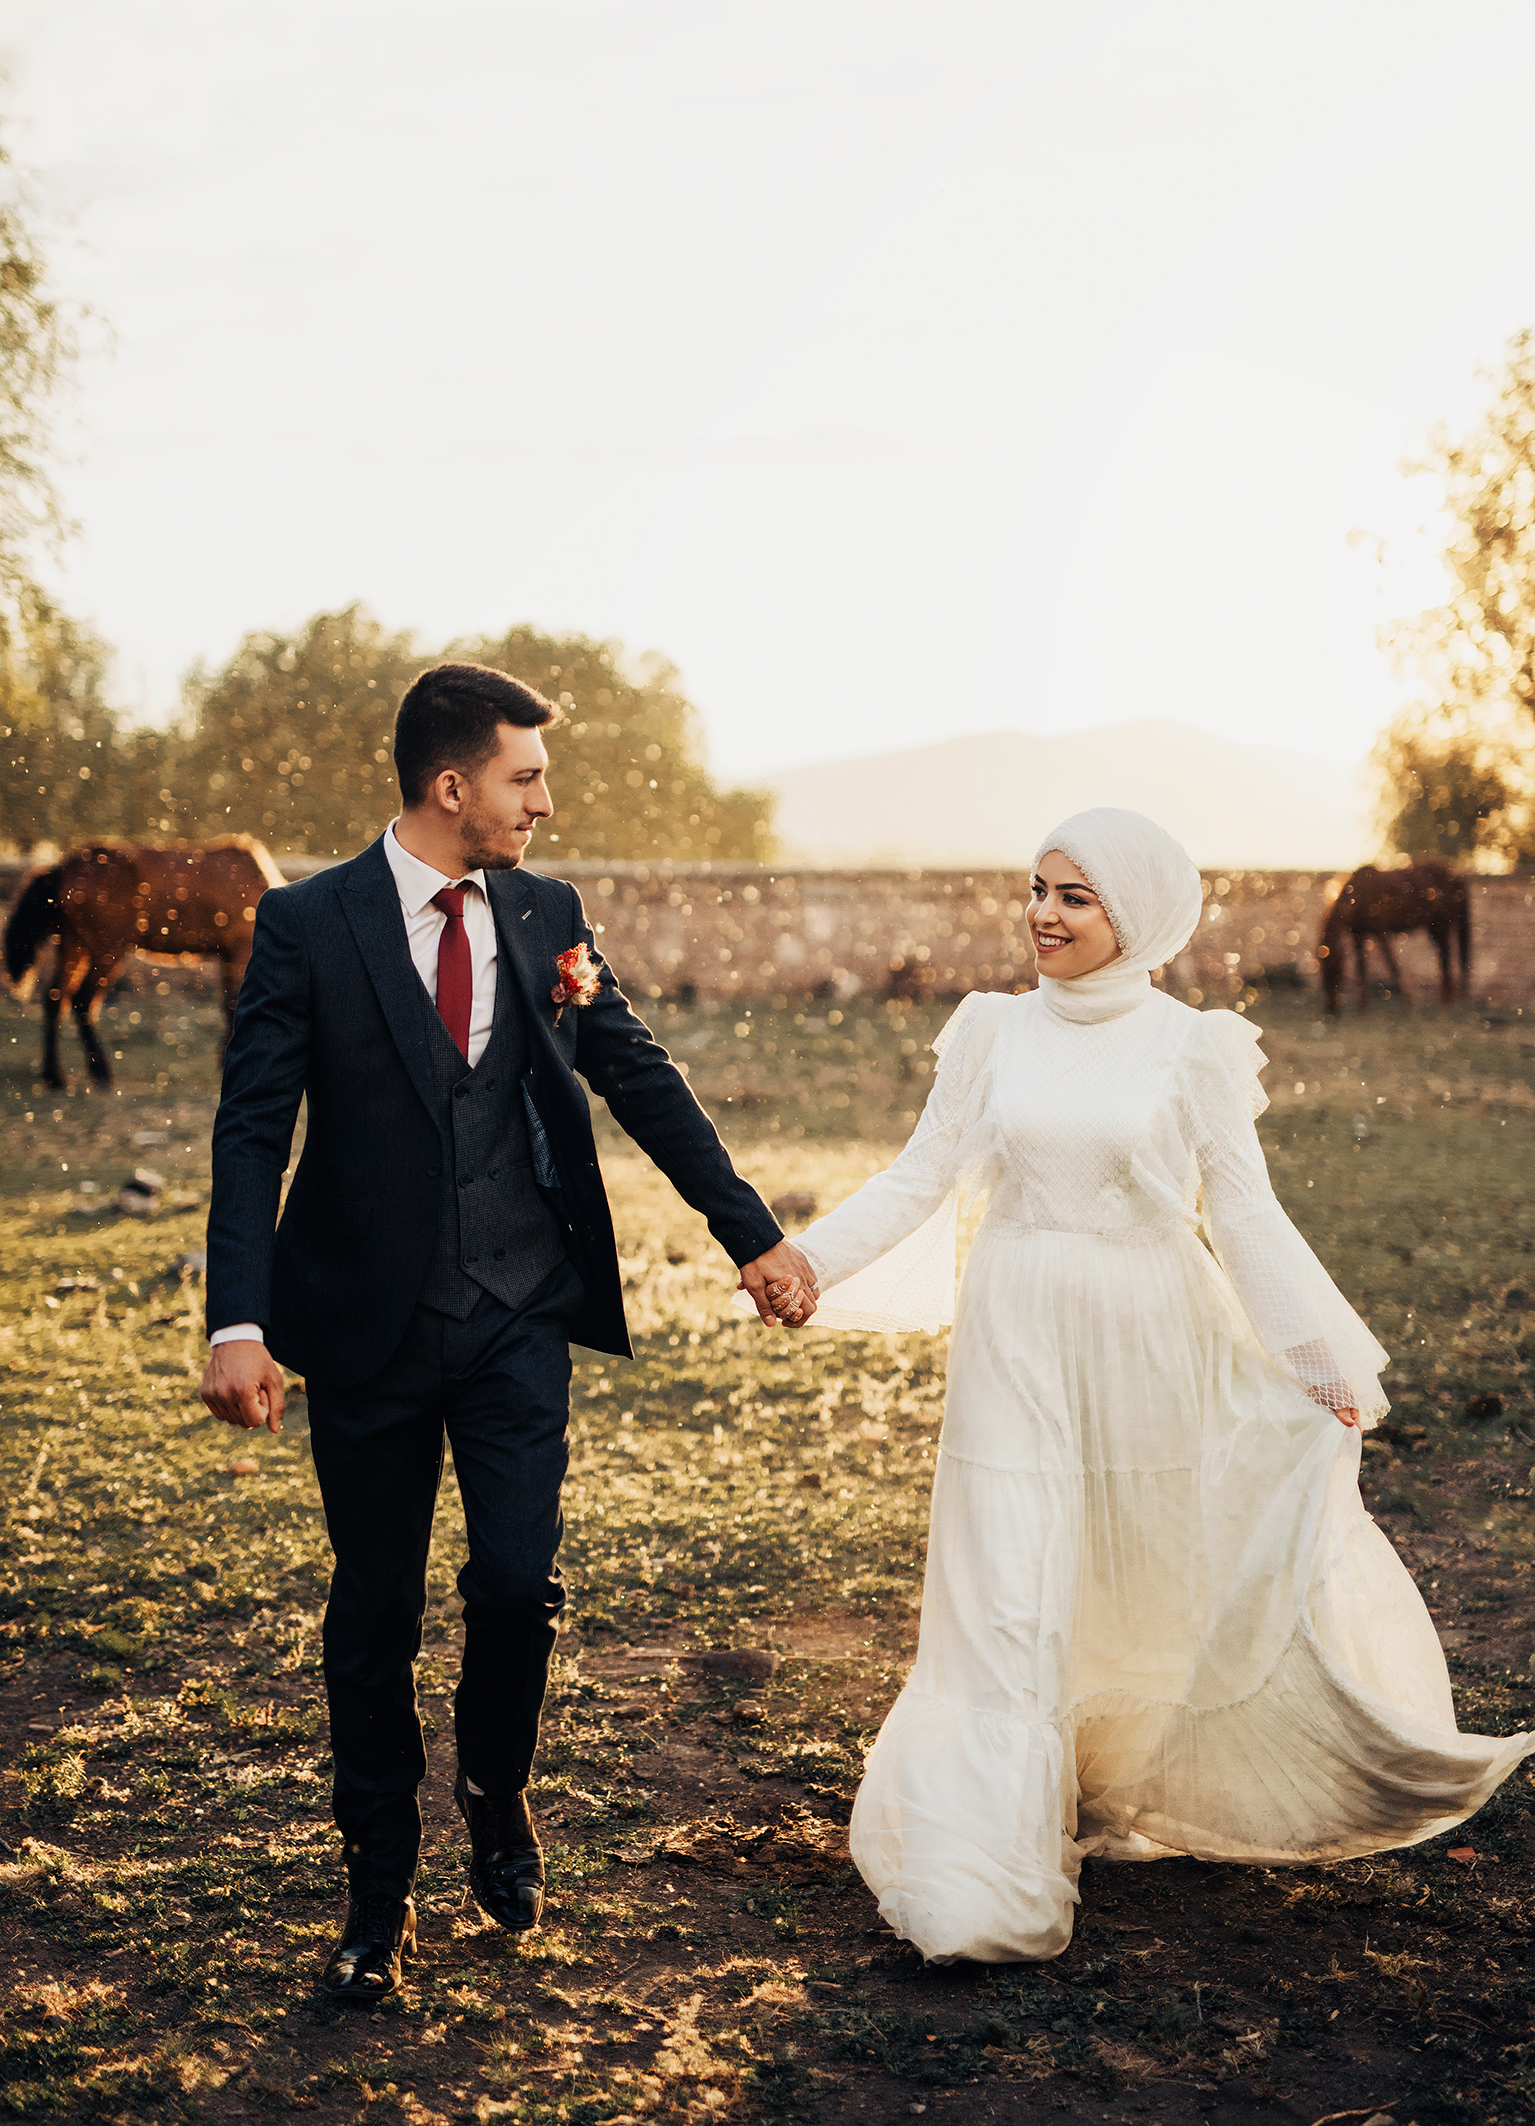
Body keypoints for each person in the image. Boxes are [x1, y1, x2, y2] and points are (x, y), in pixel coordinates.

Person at [754, 806, 1532, 1964]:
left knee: (1137, 1572)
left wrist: (1319, 1363)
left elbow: (1244, 1212)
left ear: (1140, 912)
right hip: (1013, 1332)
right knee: (1005, 1589)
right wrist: (804, 1258)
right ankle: (985, 1860)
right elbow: (921, 1173)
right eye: (1036, 888)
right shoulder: (989, 1032)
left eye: (1075, 895)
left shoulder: (1192, 1046)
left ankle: (1118, 1777)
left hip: (1149, 1338)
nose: (1042, 913)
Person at [199, 662, 819, 2001]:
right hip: (363, 1329)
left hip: (517, 1313)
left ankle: (492, 1786)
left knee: (511, 1584)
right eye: (525, 778)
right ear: (452, 786)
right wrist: (235, 1320)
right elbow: (254, 1128)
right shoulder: (307, 924)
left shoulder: (548, 914)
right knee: (371, 1611)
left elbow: (637, 1071)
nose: (546, 801)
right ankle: (377, 1897)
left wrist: (752, 1234)